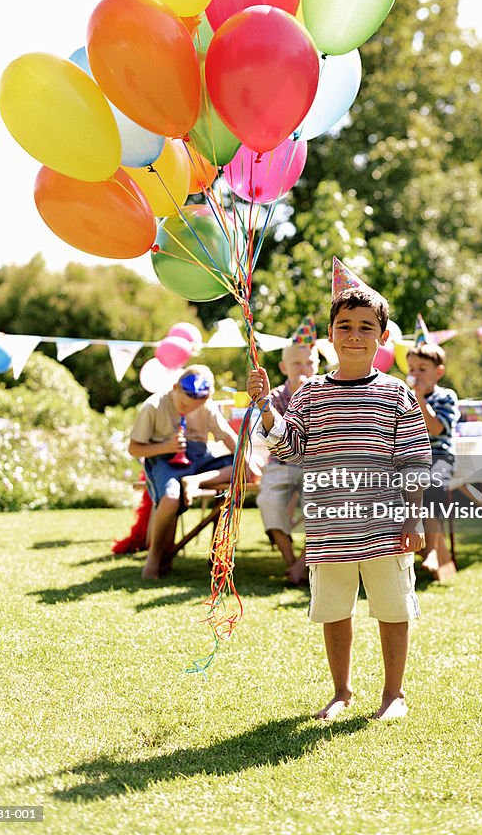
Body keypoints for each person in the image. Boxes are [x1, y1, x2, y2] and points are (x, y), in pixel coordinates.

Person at [247, 258, 432, 721]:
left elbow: (413, 458)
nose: (354, 334)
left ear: (382, 337)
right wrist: (267, 410)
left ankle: (394, 695)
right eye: (344, 325)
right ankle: (342, 691)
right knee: (334, 609)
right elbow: (290, 449)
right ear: (330, 335)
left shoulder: (396, 393)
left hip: (386, 525)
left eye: (366, 327)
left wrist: (415, 516)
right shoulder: (309, 394)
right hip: (329, 526)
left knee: (392, 607)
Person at [129, 364, 243, 581]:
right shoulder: (153, 406)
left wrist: (245, 461)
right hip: (164, 459)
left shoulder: (205, 405)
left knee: (238, 466)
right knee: (171, 499)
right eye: (184, 404)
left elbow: (228, 437)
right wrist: (166, 447)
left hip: (199, 458)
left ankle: (195, 481)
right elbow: (134, 448)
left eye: (194, 407)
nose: (188, 410)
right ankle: (153, 558)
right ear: (175, 387)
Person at [257, 337, 320, 586]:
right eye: (296, 363)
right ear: (284, 368)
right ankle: (291, 560)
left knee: (322, 504)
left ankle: (302, 564)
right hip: (281, 465)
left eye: (309, 363)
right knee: (268, 500)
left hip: (315, 467)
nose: (303, 369)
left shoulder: (326, 393)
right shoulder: (274, 397)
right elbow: (273, 435)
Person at [406, 343, 460, 581]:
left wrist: (419, 399)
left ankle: (433, 550)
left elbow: (437, 428)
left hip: (438, 457)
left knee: (433, 486)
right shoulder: (405, 398)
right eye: (411, 368)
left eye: (422, 368)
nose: (415, 374)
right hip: (412, 459)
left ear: (438, 372)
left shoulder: (445, 397)